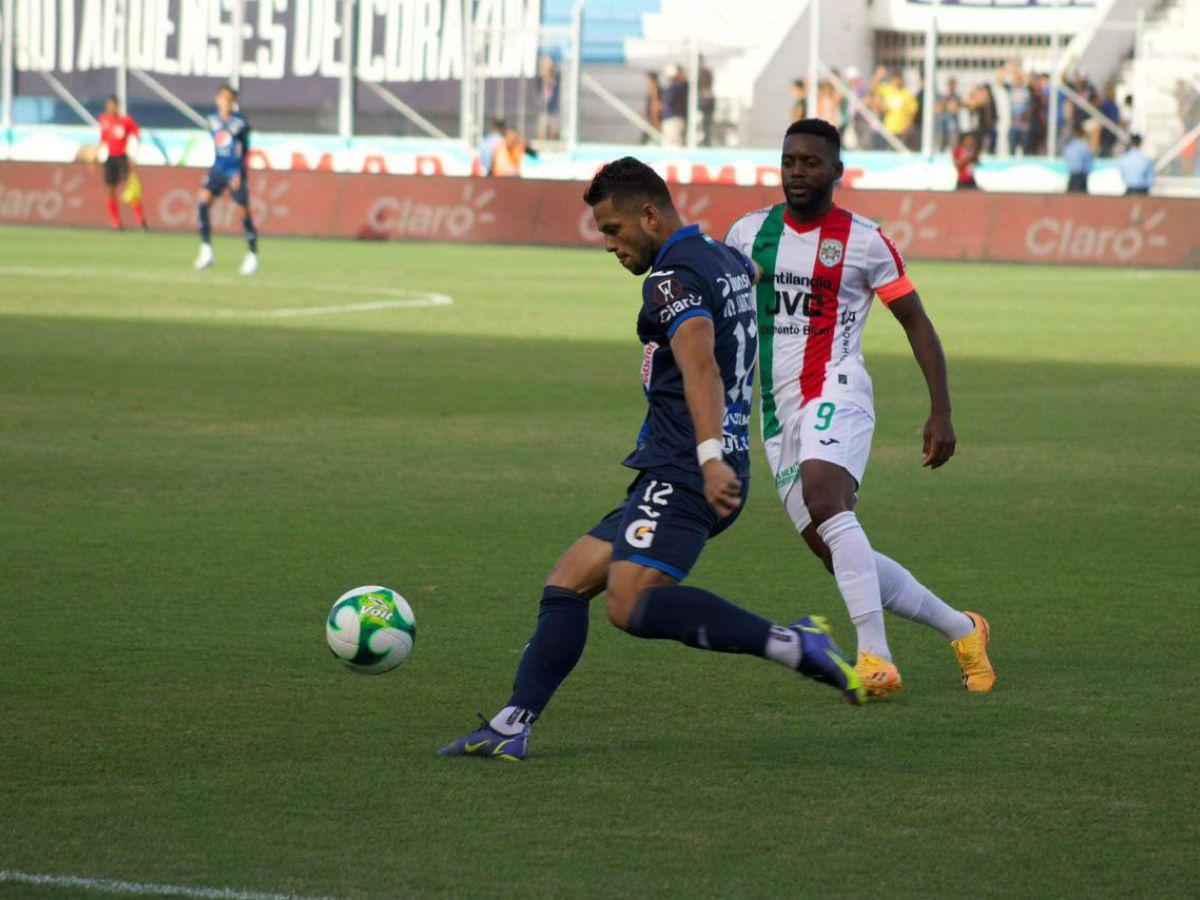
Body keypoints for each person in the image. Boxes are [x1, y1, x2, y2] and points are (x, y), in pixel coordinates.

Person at [439, 157, 865, 761]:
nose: (609, 245)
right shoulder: (723, 257)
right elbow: (750, 281)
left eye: (614, 230)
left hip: (687, 468)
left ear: (649, 214)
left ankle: (791, 643)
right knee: (566, 582)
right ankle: (513, 724)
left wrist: (710, 455)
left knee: (629, 603)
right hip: (690, 463)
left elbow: (699, 362)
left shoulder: (668, 279)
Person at [725, 119, 994, 698]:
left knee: (826, 498)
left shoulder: (865, 241)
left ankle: (875, 654)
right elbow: (729, 316)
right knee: (839, 551)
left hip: (838, 388)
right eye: (790, 160)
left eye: (812, 162)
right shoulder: (747, 235)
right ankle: (962, 628)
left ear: (837, 172)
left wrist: (940, 410)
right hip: (776, 412)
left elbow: (915, 321)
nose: (798, 171)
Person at [194, 85, 257, 275]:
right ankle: (206, 250)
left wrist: (240, 173)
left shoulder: (240, 123)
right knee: (203, 202)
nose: (225, 102)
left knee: (243, 212)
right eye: (222, 98)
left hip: (234, 171)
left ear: (234, 102)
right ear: (217, 99)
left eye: (229, 99)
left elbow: (245, 151)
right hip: (217, 169)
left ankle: (253, 255)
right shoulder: (212, 121)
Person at [95, 96, 146, 231]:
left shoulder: (125, 121)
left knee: (129, 189)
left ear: (117, 106)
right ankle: (116, 223)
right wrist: (96, 155)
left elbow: (137, 134)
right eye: (109, 105)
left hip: (122, 158)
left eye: (113, 105)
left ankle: (141, 221)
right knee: (111, 191)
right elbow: (103, 139)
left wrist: (133, 155)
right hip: (109, 158)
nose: (111, 108)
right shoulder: (103, 119)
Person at [876, 70, 919, 148]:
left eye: (899, 80)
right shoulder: (887, 90)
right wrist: (878, 76)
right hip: (888, 129)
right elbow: (873, 88)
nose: (897, 82)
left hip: (901, 130)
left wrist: (907, 126)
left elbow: (913, 112)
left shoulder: (907, 94)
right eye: (895, 80)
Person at [661, 65, 688, 146]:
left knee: (673, 142)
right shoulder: (673, 87)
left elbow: (669, 101)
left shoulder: (679, 87)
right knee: (670, 141)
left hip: (674, 118)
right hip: (671, 118)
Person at [1062, 124, 1093, 194]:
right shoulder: (1084, 146)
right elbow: (1089, 164)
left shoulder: (1069, 147)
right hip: (1081, 177)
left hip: (1074, 176)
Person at [536, 55, 560, 142]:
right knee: (542, 129)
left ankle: (554, 146)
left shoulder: (556, 77)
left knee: (554, 130)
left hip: (553, 108)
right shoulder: (540, 78)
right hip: (543, 108)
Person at [698, 56, 716, 146]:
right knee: (704, 123)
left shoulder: (703, 72)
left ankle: (706, 141)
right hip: (705, 100)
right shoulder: (702, 72)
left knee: (706, 123)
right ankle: (704, 140)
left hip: (706, 100)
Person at [642, 71, 662, 144]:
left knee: (648, 141)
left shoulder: (655, 90)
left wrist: (655, 120)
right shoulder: (653, 90)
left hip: (653, 120)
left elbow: (655, 105)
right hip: (651, 119)